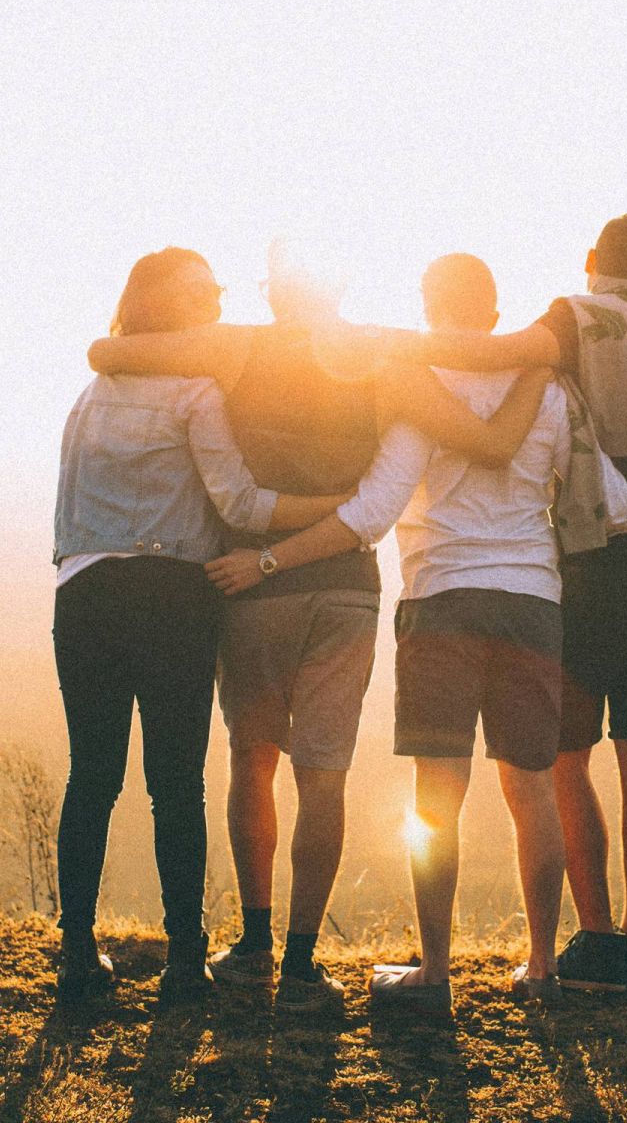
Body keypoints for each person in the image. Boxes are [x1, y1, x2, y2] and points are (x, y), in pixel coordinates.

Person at [205, 252, 627, 1012]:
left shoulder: (419, 388)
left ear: (428, 304)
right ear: (493, 312)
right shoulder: (549, 392)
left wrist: (269, 558)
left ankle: (436, 973)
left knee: (436, 798)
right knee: (533, 791)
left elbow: (373, 512)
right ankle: (543, 968)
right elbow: (616, 503)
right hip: (533, 606)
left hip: (442, 600)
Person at [87, 241, 553, 1012]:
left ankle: (254, 943)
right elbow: (479, 394)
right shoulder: (379, 351)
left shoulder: (235, 346)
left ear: (273, 292)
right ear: (340, 283)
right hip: (346, 587)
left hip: (252, 582)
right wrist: (539, 356)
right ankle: (303, 964)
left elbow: (111, 350)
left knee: (253, 758)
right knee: (323, 773)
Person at [369, 215, 627, 993]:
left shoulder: (577, 316)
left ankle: (588, 939)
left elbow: (489, 355)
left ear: (593, 260)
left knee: (563, 756)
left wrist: (384, 347)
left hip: (596, 556)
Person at [53, 247, 351, 1003]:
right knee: (175, 784)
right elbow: (242, 507)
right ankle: (186, 959)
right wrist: (338, 509)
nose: (218, 302)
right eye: (205, 292)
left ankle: (77, 953)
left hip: (84, 593)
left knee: (92, 776)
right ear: (173, 307)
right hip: (173, 597)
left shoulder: (90, 395)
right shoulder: (195, 392)